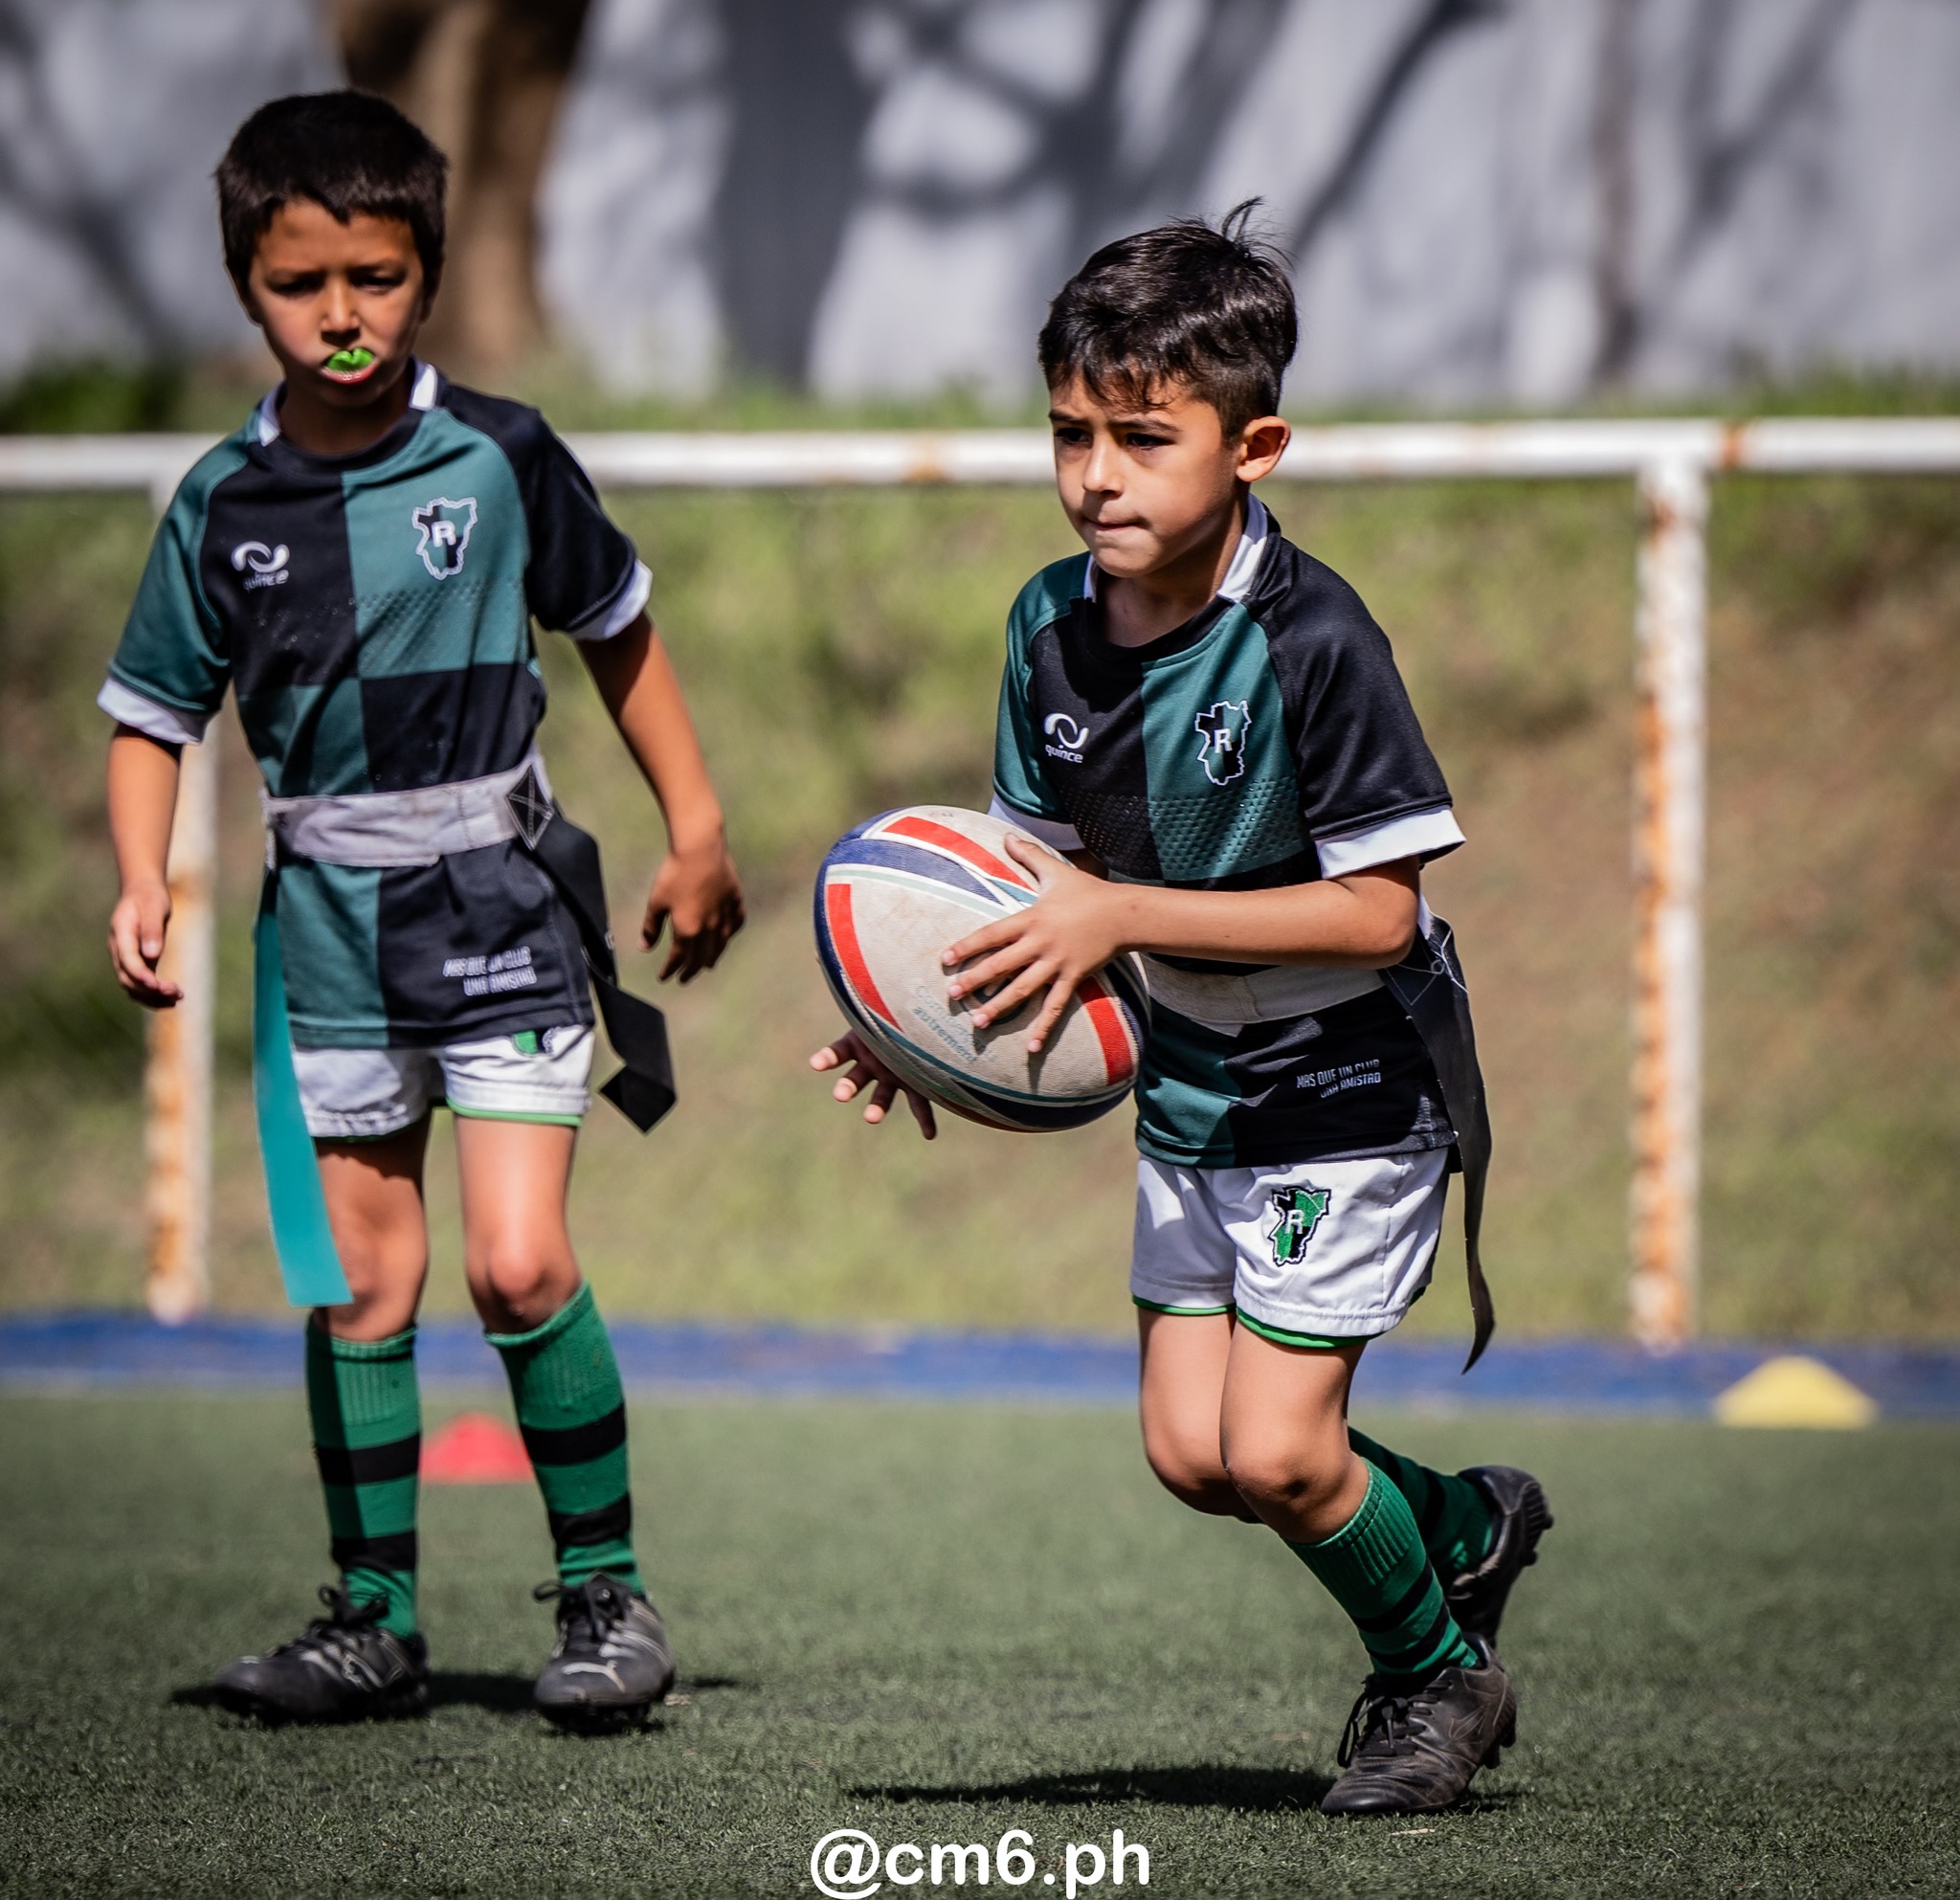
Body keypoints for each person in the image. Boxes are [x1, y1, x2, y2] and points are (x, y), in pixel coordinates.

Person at [812, 206, 1551, 1815]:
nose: (1099, 475)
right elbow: (1037, 880)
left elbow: (1380, 910)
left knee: (1282, 1450)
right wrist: (922, 1018)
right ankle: (1462, 1524)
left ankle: (1437, 1678)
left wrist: (1123, 917)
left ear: (1253, 444)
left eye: (1145, 437)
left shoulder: (1314, 639)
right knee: (1193, 1454)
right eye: (1072, 433)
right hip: (1192, 1080)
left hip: (1350, 1074)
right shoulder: (1045, 627)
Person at [101, 92, 744, 1727]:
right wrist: (136, 877)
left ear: (430, 274)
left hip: (500, 907)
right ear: (248, 282)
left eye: (377, 277)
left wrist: (698, 822)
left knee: (520, 1265)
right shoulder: (217, 506)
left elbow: (615, 623)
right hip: (326, 931)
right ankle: (373, 1620)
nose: (341, 314)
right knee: (364, 1286)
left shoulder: (504, 454)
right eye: (303, 281)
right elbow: (151, 714)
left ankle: (607, 1594)